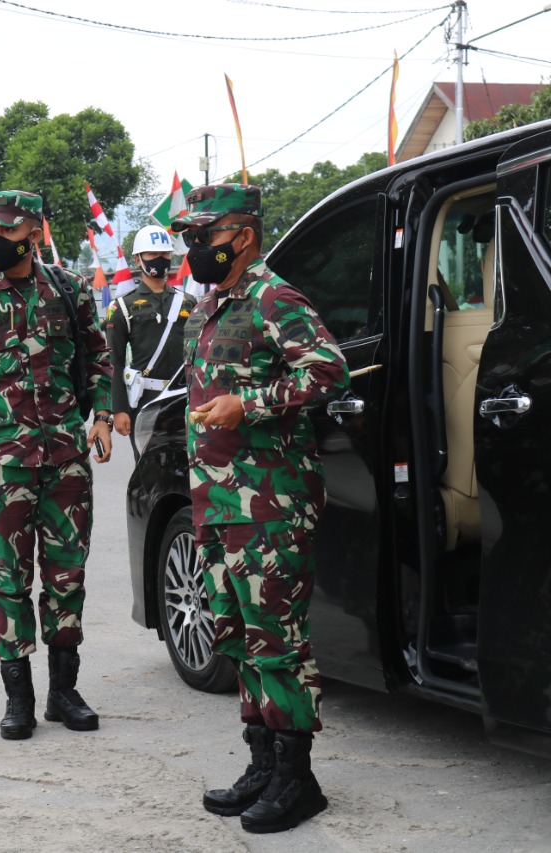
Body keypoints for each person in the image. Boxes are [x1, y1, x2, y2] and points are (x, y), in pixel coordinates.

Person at [173, 184, 348, 834]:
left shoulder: (276, 298)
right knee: (241, 637)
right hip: (218, 500)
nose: (194, 247)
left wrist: (248, 405)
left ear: (242, 236)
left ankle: (298, 779)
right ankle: (263, 763)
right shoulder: (209, 307)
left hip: (270, 501)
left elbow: (328, 369)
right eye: (190, 237)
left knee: (277, 639)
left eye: (204, 235)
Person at [0, 190, 114, 741]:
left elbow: (98, 356)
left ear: (34, 234)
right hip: (1, 466)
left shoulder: (69, 289)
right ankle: (19, 699)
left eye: (7, 229)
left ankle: (64, 692)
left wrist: (102, 415)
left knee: (67, 577)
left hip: (66, 462)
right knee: (9, 581)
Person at [108, 225, 196, 439]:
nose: (160, 259)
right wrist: (119, 409)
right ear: (138, 259)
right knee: (148, 460)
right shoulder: (122, 307)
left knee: (189, 459)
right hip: (145, 401)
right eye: (152, 254)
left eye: (165, 254)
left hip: (185, 399)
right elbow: (114, 361)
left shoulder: (188, 302)